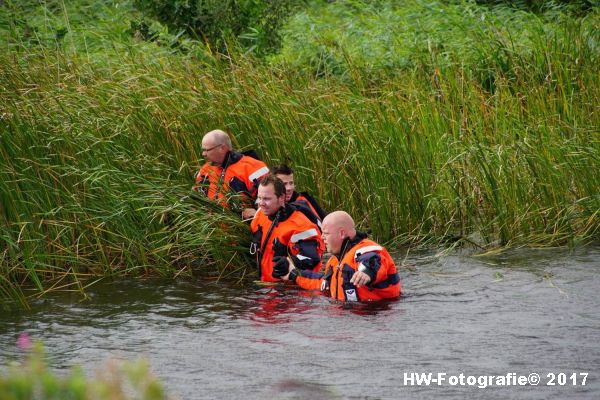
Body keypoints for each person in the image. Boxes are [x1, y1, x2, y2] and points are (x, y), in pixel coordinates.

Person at [274, 211, 401, 302]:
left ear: (341, 233)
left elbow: (374, 261)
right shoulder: (334, 262)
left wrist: (366, 272)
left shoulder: (366, 250)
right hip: (348, 318)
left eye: (326, 233)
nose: (322, 237)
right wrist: (293, 274)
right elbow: (322, 283)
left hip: (374, 318)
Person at [250, 175, 324, 283]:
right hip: (266, 286)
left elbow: (312, 258)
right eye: (259, 198)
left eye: (266, 199)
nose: (261, 203)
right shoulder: (260, 215)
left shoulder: (301, 226)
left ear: (281, 198)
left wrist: (289, 262)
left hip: (293, 291)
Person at [193, 129, 269, 219]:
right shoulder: (205, 170)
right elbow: (196, 198)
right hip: (210, 230)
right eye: (203, 150)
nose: (203, 154)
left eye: (207, 150)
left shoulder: (253, 167)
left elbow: (272, 200)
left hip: (243, 229)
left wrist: (257, 212)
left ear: (222, 148)